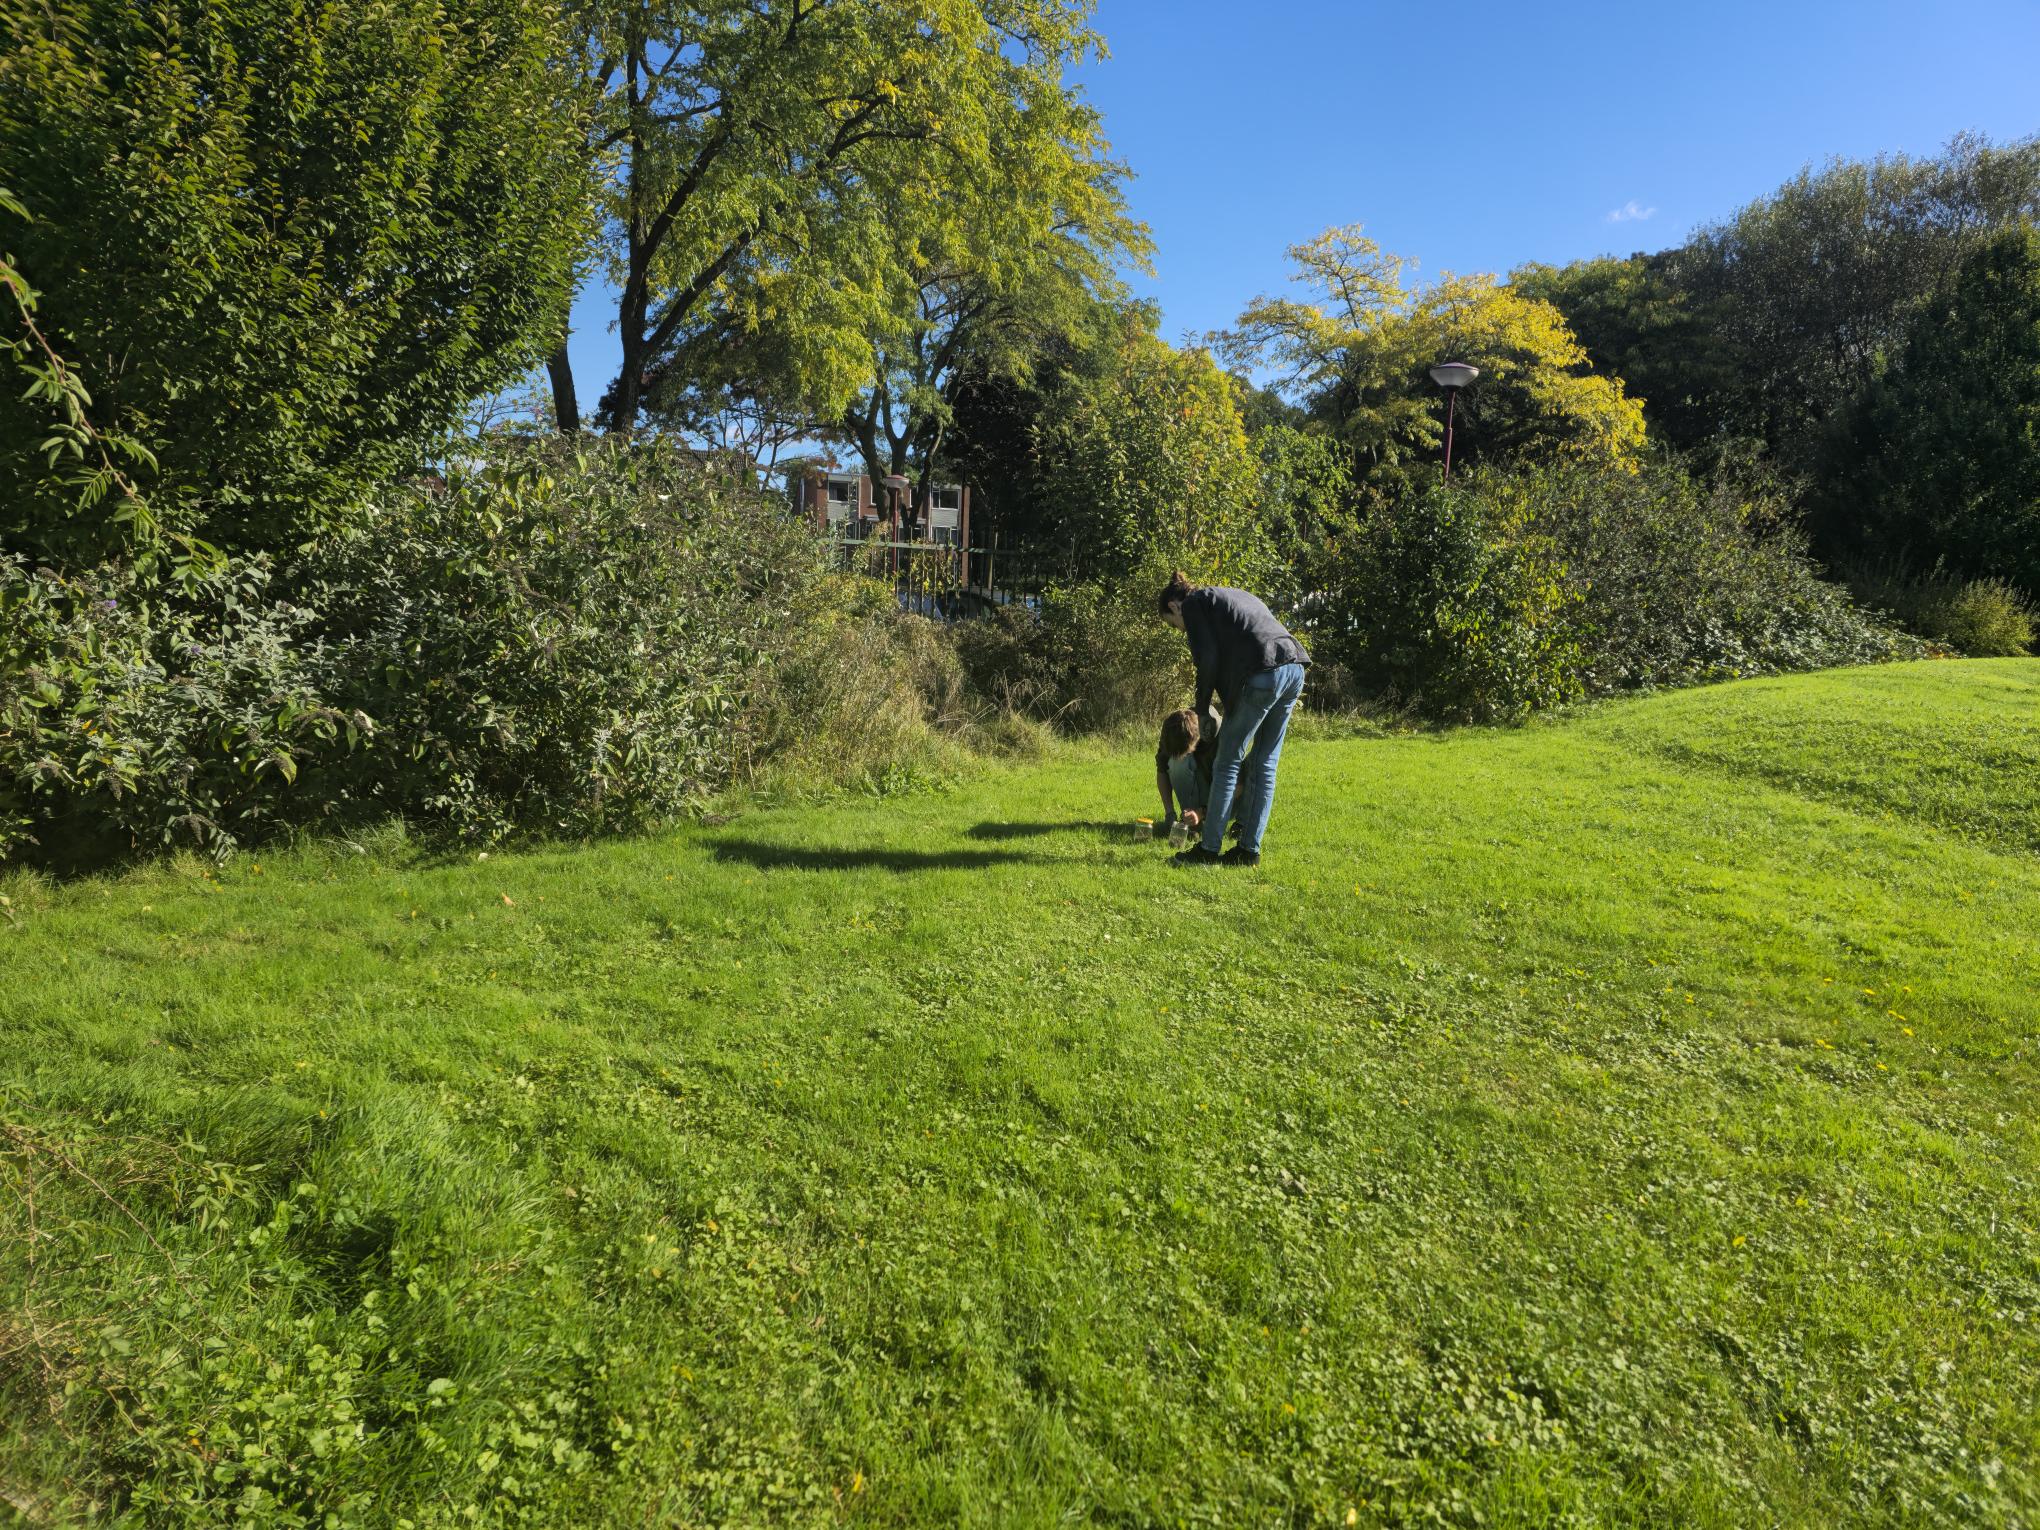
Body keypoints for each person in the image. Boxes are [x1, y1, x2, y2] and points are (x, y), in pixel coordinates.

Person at [1157, 570, 1307, 867]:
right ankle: (1248, 851)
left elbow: (1208, 658)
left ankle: (1208, 850)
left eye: (1173, 624)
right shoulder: (1233, 596)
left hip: (1264, 672)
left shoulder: (1193, 604)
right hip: (1294, 668)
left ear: (1174, 606)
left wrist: (1201, 708)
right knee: (1264, 763)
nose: (1180, 630)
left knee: (1226, 762)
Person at [1154, 706, 1217, 838]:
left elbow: (1235, 784)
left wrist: (1202, 812)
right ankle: (1190, 820)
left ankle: (1236, 823)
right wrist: (1169, 813)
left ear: (1195, 741)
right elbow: (1162, 770)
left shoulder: (1218, 735)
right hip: (1198, 785)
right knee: (1175, 762)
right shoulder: (1171, 732)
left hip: (1223, 795)